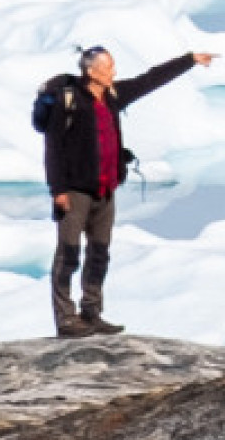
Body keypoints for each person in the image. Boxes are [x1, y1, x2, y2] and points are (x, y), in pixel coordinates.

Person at [41, 40, 214, 339]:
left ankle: (91, 313)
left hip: (105, 190)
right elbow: (53, 148)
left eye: (113, 67)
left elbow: (150, 79)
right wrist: (58, 190)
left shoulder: (113, 96)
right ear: (91, 71)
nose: (113, 72)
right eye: (108, 68)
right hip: (75, 191)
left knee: (99, 253)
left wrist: (190, 60)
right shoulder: (69, 102)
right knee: (68, 254)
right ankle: (66, 319)